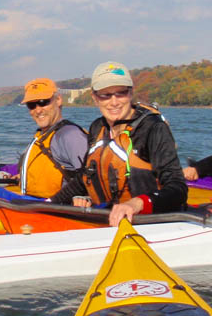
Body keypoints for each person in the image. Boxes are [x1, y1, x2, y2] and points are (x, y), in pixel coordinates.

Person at [52, 62, 188, 226]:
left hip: (152, 223)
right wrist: (50, 204)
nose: (114, 102)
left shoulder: (153, 128)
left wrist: (135, 204)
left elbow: (178, 188)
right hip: (111, 218)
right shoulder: (97, 128)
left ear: (131, 93)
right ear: (95, 98)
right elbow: (83, 179)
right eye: (105, 95)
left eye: (120, 93)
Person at [17, 77, 87, 198]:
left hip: (56, 208)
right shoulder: (43, 135)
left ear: (58, 100)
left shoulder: (70, 135)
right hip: (33, 204)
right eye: (31, 105)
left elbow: (91, 179)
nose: (38, 110)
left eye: (43, 102)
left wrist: (84, 198)